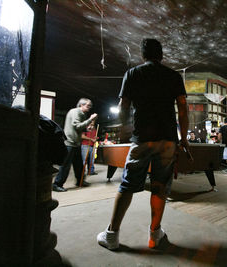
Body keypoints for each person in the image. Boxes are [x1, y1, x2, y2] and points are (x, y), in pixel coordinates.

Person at [97, 39, 189, 250]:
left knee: (127, 185)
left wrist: (125, 128)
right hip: (167, 140)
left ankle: (112, 235)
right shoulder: (173, 75)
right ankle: (155, 235)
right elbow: (183, 108)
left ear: (143, 55)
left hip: (142, 138)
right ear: (162, 55)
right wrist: (183, 138)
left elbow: (124, 105)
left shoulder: (133, 73)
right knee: (160, 186)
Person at [52, 98, 97, 192]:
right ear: (81, 105)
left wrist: (87, 128)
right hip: (70, 142)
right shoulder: (76, 112)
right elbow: (77, 126)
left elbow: (80, 128)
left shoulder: (80, 113)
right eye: (88, 105)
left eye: (90, 106)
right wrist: (90, 119)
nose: (89, 108)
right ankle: (57, 184)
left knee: (79, 164)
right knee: (65, 165)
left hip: (76, 143)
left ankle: (80, 181)